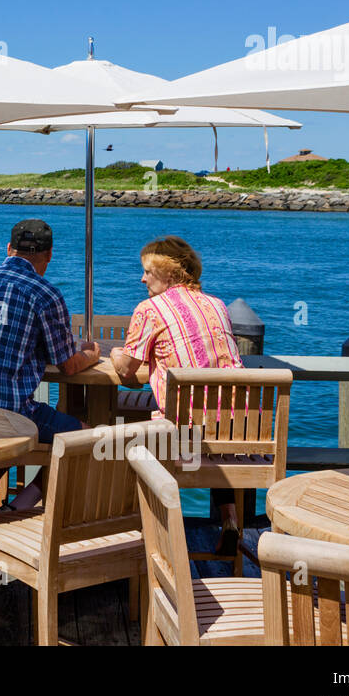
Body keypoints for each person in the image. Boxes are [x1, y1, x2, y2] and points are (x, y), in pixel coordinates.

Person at [0, 218, 100, 516]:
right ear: (49, 254)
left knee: (7, 403)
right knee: (87, 440)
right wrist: (91, 353)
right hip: (4, 418)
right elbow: (68, 366)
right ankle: (18, 507)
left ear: (9, 249)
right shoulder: (44, 294)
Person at [109, 235, 245, 554]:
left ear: (168, 273)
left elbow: (128, 371)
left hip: (182, 436)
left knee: (112, 442)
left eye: (147, 272)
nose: (142, 278)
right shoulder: (217, 305)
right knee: (206, 421)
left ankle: (150, 534)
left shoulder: (150, 310)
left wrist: (116, 353)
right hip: (233, 429)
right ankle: (230, 519)